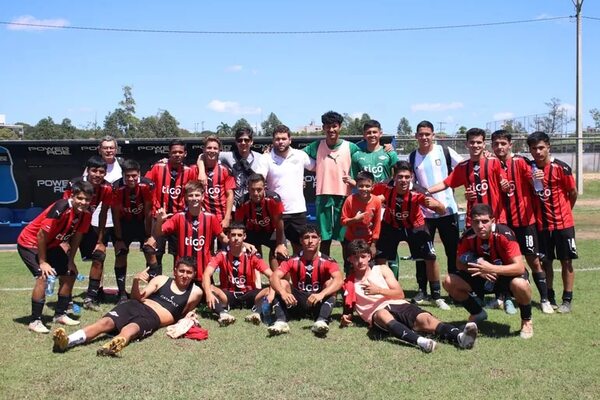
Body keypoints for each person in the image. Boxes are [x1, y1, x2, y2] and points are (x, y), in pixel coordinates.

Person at [340, 240, 477, 353]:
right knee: (382, 314)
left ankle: (461, 337)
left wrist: (379, 290)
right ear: (349, 259)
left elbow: (399, 293)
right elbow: (348, 309)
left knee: (426, 320)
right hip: (378, 314)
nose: (360, 261)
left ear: (369, 256)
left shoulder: (381, 269)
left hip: (399, 304)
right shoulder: (349, 283)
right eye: (356, 257)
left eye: (363, 256)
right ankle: (421, 342)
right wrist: (346, 318)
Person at [52, 257, 203, 356]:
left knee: (133, 328)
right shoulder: (161, 279)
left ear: (194, 274)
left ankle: (114, 344)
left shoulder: (195, 292)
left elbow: (185, 312)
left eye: (189, 272)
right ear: (175, 271)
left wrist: (189, 318)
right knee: (105, 323)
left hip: (153, 318)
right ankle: (68, 340)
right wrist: (136, 281)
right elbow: (137, 297)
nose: (185, 275)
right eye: (181, 271)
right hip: (135, 305)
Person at [443, 204, 534, 339]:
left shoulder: (505, 234)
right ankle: (477, 313)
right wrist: (480, 271)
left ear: (493, 220)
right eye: (476, 222)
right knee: (449, 281)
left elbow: (519, 267)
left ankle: (526, 320)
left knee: (521, 285)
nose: (480, 226)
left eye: (485, 221)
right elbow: (459, 264)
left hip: (505, 275)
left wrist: (491, 268)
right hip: (481, 276)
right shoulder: (467, 237)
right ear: (471, 222)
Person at [18, 181, 93, 333]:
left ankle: (60, 314)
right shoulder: (61, 207)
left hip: (51, 244)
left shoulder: (86, 213)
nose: (83, 202)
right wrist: (43, 262)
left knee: (70, 273)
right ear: (72, 196)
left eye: (87, 199)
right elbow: (41, 235)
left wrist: (71, 261)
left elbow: (77, 237)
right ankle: (35, 321)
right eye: (79, 198)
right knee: (42, 275)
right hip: (30, 243)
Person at [373, 161, 450, 310]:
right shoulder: (384, 187)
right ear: (394, 177)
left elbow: (442, 211)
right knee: (380, 258)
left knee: (430, 257)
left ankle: (436, 297)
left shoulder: (419, 191)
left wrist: (438, 206)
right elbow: (368, 194)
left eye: (407, 177)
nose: (403, 180)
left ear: (412, 177)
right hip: (391, 225)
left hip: (415, 226)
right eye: (400, 177)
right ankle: (384, 293)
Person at [491, 130, 553, 314]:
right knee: (504, 261)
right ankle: (504, 298)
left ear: (510, 144)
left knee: (533, 260)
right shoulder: (491, 164)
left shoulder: (521, 162)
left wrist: (538, 178)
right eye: (496, 144)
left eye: (503, 143)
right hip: (503, 223)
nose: (499, 147)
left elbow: (537, 186)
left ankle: (544, 299)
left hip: (525, 222)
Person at [408, 120, 463, 303]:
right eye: (421, 134)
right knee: (423, 253)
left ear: (433, 136)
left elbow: (463, 168)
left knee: (452, 252)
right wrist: (420, 190)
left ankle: (455, 290)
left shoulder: (445, 152)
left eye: (427, 134)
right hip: (423, 214)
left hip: (448, 211)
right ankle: (423, 290)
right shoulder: (412, 157)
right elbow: (410, 182)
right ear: (416, 136)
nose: (424, 137)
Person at [527, 131, 578, 313]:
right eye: (534, 148)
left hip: (563, 224)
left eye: (541, 147)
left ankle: (567, 299)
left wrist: (565, 212)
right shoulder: (529, 168)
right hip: (541, 225)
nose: (538, 151)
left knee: (566, 261)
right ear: (530, 150)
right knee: (546, 262)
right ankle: (549, 296)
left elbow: (572, 193)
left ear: (548, 147)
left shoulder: (561, 168)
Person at [268, 225, 344, 337]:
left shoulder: (328, 261)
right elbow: (274, 277)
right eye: (306, 237)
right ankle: (281, 322)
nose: (310, 241)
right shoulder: (292, 260)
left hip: (318, 302)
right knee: (283, 283)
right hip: (296, 303)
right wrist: (283, 293)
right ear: (301, 240)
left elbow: (339, 280)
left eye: (314, 237)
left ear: (319, 239)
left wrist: (321, 294)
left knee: (330, 283)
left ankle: (321, 321)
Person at [303, 111, 361, 255]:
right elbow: (297, 156)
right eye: (328, 126)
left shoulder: (351, 147)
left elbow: (364, 158)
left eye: (334, 126)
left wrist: (386, 148)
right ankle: (325, 271)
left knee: (345, 238)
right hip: (323, 195)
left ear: (340, 127)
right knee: (324, 238)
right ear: (323, 128)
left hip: (344, 196)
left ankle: (349, 271)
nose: (331, 130)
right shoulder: (316, 146)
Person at [428, 127, 509, 228]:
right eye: (472, 142)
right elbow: (445, 184)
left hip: (495, 218)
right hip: (474, 221)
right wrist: (425, 191)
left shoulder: (494, 162)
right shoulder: (463, 167)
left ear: (484, 144)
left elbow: (505, 186)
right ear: (466, 144)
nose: (475, 145)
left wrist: (505, 186)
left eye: (479, 142)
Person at [151, 180, 227, 284]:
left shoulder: (211, 218)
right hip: (184, 274)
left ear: (203, 196)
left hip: (204, 273)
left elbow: (223, 238)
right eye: (191, 195)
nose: (194, 198)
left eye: (197, 195)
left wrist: (244, 244)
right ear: (186, 197)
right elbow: (159, 233)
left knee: (213, 298)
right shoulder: (178, 217)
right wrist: (159, 221)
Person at [64, 156, 113, 311]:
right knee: (65, 258)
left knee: (100, 253)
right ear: (88, 170)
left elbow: (104, 213)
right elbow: (65, 208)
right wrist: (64, 238)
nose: (97, 174)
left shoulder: (107, 188)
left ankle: (90, 298)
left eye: (101, 172)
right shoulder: (74, 184)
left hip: (86, 226)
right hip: (70, 228)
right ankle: (66, 298)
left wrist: (100, 240)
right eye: (94, 171)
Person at [202, 223, 273, 326]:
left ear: (244, 237)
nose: (236, 238)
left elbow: (272, 276)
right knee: (209, 288)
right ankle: (222, 314)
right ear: (228, 236)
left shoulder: (252, 255)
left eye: (239, 235)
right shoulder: (221, 254)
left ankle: (257, 313)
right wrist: (208, 293)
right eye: (233, 235)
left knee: (269, 290)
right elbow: (206, 274)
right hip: (228, 294)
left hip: (250, 293)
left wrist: (271, 294)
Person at [145, 139, 198, 277]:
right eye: (174, 152)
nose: (177, 154)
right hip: (159, 218)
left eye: (180, 152)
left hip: (179, 219)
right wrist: (154, 206)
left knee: (180, 254)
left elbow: (194, 193)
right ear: (169, 153)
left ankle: (179, 287)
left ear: (185, 153)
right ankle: (155, 284)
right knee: (155, 252)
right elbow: (145, 184)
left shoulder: (189, 172)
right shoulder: (158, 168)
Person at [264, 124, 315, 255]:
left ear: (290, 140)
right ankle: (278, 276)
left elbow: (318, 167)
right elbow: (258, 180)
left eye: (283, 138)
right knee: (277, 250)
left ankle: (300, 276)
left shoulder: (300, 155)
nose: (280, 141)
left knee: (301, 249)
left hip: (298, 211)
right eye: (277, 139)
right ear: (273, 141)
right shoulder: (266, 158)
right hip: (275, 212)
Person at [111, 159, 157, 301]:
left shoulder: (147, 185)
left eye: (134, 176)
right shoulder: (116, 187)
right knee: (121, 253)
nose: (131, 179)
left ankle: (153, 292)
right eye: (127, 176)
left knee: (150, 252)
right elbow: (116, 215)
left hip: (142, 223)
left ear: (139, 174)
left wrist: (149, 235)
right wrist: (118, 239)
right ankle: (122, 293)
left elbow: (149, 211)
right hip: (124, 224)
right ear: (123, 175)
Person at [197, 127, 268, 207]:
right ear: (236, 142)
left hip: (254, 204)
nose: (243, 143)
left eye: (246, 140)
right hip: (236, 205)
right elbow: (202, 155)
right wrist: (202, 172)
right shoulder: (228, 156)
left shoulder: (261, 158)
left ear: (251, 142)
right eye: (240, 140)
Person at [234, 173, 287, 270]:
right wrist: (244, 243)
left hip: (272, 232)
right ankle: (255, 283)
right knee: (251, 255)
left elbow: (279, 224)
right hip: (252, 233)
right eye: (252, 190)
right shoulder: (242, 202)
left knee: (280, 255)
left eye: (259, 189)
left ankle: (279, 282)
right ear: (248, 189)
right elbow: (238, 227)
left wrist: (280, 245)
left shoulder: (273, 199)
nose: (255, 193)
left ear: (264, 187)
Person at [341, 170, 382, 271]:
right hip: (351, 240)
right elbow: (343, 221)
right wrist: (355, 219)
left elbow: (377, 224)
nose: (364, 189)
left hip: (367, 241)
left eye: (367, 186)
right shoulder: (350, 200)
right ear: (356, 186)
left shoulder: (376, 201)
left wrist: (373, 244)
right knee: (351, 268)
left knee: (369, 268)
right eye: (361, 186)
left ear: (373, 186)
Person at [200, 135, 235, 230]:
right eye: (209, 147)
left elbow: (230, 195)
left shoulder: (225, 170)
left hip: (221, 217)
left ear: (219, 150)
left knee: (225, 244)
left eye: (215, 148)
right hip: (203, 218)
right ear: (203, 149)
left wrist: (227, 218)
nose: (212, 150)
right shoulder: (196, 170)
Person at [351, 119, 399, 183]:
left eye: (374, 132)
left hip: (385, 192)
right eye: (368, 133)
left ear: (380, 134)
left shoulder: (390, 153)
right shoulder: (357, 156)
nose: (372, 135)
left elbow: (398, 176)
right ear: (364, 135)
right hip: (366, 192)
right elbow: (354, 180)